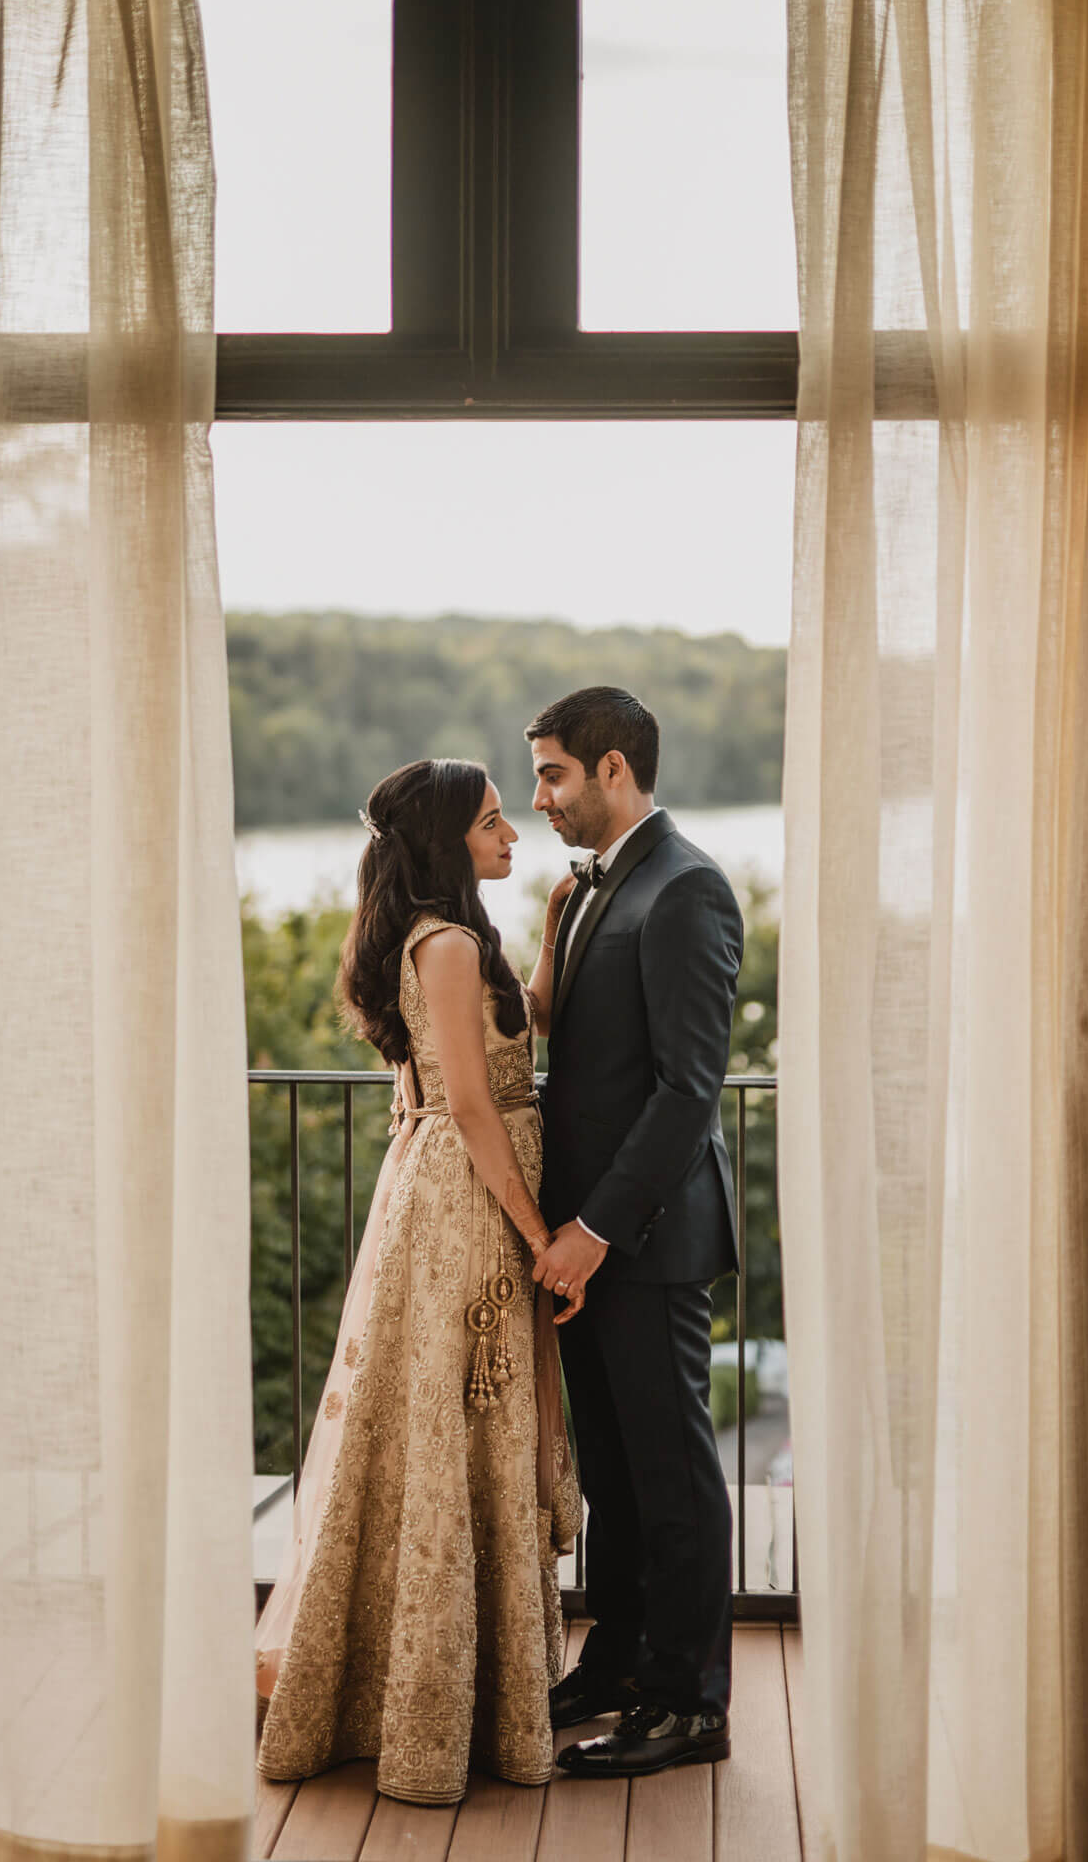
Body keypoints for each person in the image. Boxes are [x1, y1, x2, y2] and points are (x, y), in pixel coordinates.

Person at [255, 758, 582, 1806]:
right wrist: (537, 1232)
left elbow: (520, 1024)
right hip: (465, 1201)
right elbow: (475, 1108)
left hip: (470, 1186)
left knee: (475, 1421)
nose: (512, 835)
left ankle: (478, 1688)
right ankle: (433, 1705)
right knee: (459, 1415)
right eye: (495, 822)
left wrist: (549, 930)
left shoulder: (463, 938)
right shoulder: (439, 944)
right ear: (451, 841)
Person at [523, 686, 743, 1777]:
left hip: (643, 1239)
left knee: (671, 1473)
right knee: (611, 1468)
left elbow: (684, 1093)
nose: (540, 797)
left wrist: (593, 1228)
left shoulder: (688, 885)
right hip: (579, 1240)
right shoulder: (581, 892)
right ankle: (616, 1661)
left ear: (615, 769)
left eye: (554, 773)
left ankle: (689, 1701)